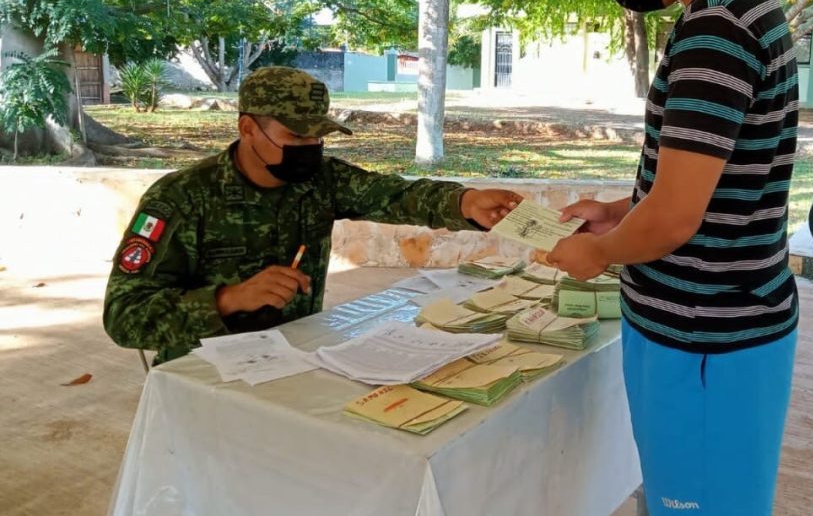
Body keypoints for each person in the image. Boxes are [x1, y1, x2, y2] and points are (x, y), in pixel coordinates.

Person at [549, 0, 799, 513]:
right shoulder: (735, 4)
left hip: (706, 340)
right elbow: (706, 181)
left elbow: (677, 216)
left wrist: (598, 251)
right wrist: (619, 209)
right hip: (719, 328)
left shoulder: (717, 27)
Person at [103, 67, 521, 364]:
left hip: (294, 360)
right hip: (201, 374)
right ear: (247, 128)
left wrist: (465, 202)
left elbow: (394, 194)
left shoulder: (319, 180)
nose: (310, 147)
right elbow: (124, 317)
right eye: (295, 135)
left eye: (317, 136)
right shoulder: (180, 199)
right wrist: (229, 299)